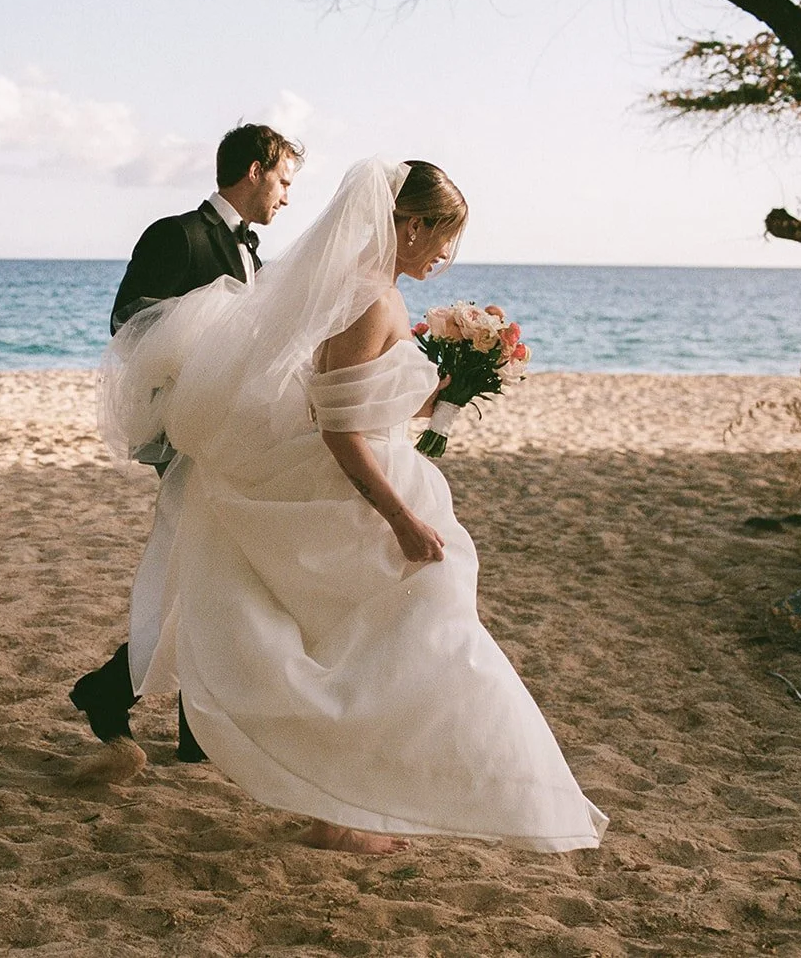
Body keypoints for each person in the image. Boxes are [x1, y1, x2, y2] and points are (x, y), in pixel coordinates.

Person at [98, 157, 607, 854]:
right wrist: (401, 518)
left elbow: (361, 398)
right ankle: (347, 814)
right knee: (405, 645)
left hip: (384, 471)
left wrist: (450, 388)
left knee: (371, 649)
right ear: (413, 223)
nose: (446, 254)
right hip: (365, 489)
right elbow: (338, 430)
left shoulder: (365, 293)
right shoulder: (369, 300)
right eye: (443, 237)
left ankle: (345, 811)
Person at [69, 124, 302, 776]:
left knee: (208, 575)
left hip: (238, 434)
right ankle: (138, 701)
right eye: (284, 180)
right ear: (253, 171)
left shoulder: (254, 253)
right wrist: (199, 348)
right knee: (200, 572)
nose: (287, 196)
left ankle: (140, 703)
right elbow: (129, 321)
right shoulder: (176, 234)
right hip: (193, 436)